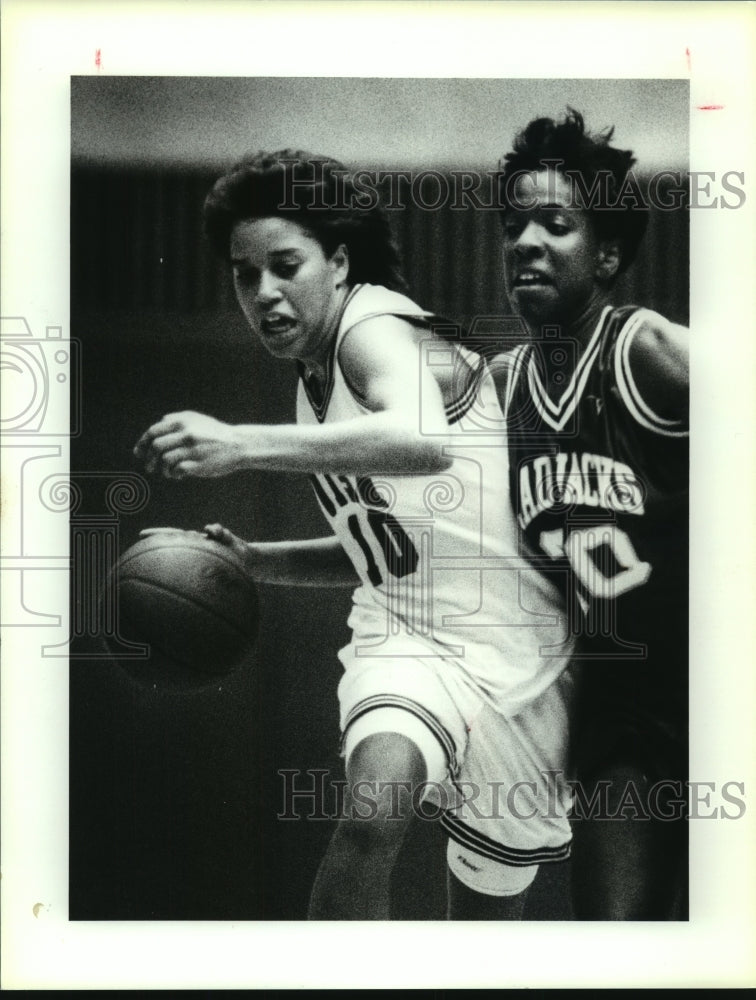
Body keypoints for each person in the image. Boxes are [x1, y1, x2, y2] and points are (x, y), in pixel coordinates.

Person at [134, 150, 574, 920]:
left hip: (523, 650)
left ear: (338, 264)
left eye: (285, 264)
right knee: (370, 814)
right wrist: (257, 561)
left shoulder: (373, 326)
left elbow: (422, 439)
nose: (264, 291)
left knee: (487, 927)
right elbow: (389, 556)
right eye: (245, 274)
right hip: (405, 633)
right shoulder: (312, 380)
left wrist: (240, 444)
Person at [495, 111, 689, 919]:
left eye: (557, 223)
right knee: (616, 949)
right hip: (621, 709)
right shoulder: (500, 389)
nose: (527, 241)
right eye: (514, 224)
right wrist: (259, 556)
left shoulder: (644, 350)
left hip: (715, 676)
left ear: (607, 254)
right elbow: (423, 550)